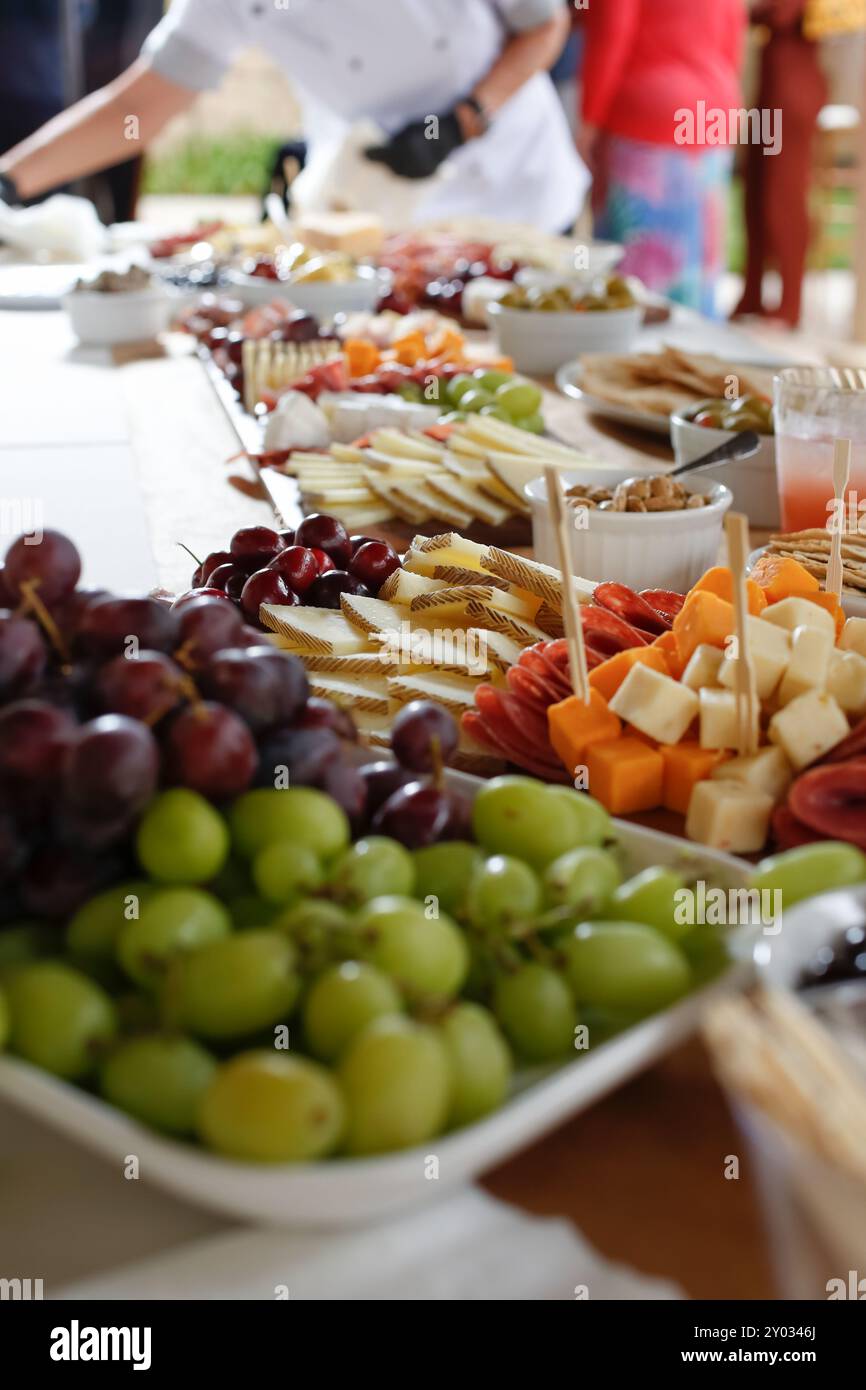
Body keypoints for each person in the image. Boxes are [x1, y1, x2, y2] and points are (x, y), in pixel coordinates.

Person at [0, 0, 587, 234]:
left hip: (515, 188)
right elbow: (136, 108)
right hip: (370, 217)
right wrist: (8, 182)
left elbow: (544, 25)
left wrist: (460, 121)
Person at [578, 0, 747, 316]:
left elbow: (611, 33)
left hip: (650, 112)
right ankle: (697, 356)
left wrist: (588, 120)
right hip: (713, 109)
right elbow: (733, 36)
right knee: (699, 268)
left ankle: (635, 362)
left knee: (638, 279)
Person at [732, 1, 827, 327]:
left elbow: (779, 12)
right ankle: (752, 292)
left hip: (792, 93)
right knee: (754, 192)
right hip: (770, 89)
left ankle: (790, 302)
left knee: (783, 198)